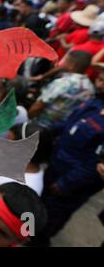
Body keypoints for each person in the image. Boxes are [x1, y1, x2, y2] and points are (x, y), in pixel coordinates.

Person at [30, 69, 104, 246]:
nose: (99, 82)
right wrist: (44, 132)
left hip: (70, 183)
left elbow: (95, 165)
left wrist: (66, 183)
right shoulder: (94, 103)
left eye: (103, 80)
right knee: (35, 209)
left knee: (49, 220)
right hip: (56, 166)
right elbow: (70, 124)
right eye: (100, 78)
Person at [29, 50, 95, 127]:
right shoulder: (90, 88)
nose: (63, 63)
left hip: (40, 124)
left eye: (66, 61)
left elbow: (39, 105)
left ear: (72, 65)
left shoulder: (63, 83)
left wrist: (26, 119)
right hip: (59, 128)